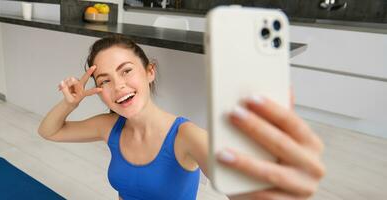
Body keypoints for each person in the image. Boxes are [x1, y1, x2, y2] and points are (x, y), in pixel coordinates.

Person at [38, 35, 325, 200]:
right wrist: (70, 103)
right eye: (105, 80)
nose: (119, 86)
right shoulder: (108, 126)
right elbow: (49, 131)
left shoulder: (187, 136)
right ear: (98, 90)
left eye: (126, 71)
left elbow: (241, 189)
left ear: (149, 72)